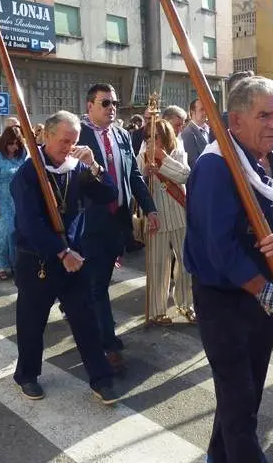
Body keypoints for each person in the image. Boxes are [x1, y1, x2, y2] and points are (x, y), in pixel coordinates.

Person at [185, 76, 273, 461]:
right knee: (240, 402)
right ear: (236, 121)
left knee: (245, 394)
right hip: (224, 298)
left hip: (263, 295)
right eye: (264, 116)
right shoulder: (215, 167)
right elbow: (221, 251)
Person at [11, 111, 122, 405]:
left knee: (86, 319)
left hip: (74, 259)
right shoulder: (28, 172)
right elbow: (29, 222)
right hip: (39, 259)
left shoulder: (76, 167)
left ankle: (101, 379)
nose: (68, 146)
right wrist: (61, 252)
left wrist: (95, 166)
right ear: (46, 137)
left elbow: (109, 195)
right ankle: (27, 375)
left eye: (73, 141)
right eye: (63, 140)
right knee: (33, 321)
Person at [78, 83, 159, 373]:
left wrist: (149, 207)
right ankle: (106, 344)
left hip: (118, 221)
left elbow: (134, 175)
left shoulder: (123, 135)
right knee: (97, 286)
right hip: (89, 223)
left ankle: (94, 325)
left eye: (114, 103)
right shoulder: (77, 135)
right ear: (90, 106)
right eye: (105, 103)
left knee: (99, 284)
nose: (112, 108)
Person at [137, 119, 194, 325]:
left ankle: (186, 305)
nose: (151, 141)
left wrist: (163, 159)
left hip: (179, 214)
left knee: (186, 263)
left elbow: (185, 176)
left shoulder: (178, 152)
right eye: (148, 137)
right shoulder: (143, 155)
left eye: (156, 136)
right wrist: (147, 170)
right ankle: (157, 311)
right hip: (156, 217)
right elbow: (136, 178)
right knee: (158, 265)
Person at [0, 126, 27, 280]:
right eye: (11, 143)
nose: (14, 147)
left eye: (17, 143)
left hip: (18, 199)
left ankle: (16, 264)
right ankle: (2, 265)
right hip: (1, 199)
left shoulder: (21, 156)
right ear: (5, 143)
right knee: (5, 233)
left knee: (17, 231)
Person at [181, 98, 210, 169]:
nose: (205, 112)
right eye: (202, 109)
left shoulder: (208, 129)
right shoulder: (188, 133)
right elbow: (193, 162)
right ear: (193, 112)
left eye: (206, 109)